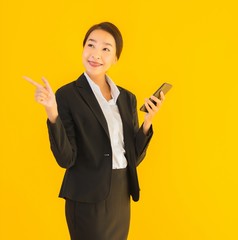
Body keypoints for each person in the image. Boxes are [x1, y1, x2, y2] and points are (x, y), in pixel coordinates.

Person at [24, 22, 165, 240]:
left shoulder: (127, 98)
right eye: (91, 45)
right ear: (83, 48)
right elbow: (66, 159)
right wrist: (52, 112)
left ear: (116, 58)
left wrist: (148, 122)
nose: (96, 54)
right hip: (87, 198)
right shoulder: (67, 95)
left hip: (120, 196)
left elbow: (133, 159)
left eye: (106, 49)